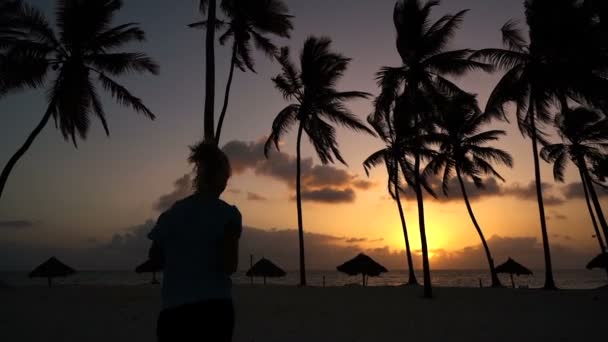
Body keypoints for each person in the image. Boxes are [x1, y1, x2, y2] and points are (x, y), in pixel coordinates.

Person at [147, 141, 242, 342]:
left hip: (174, 311)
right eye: (226, 177)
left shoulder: (172, 214)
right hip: (215, 311)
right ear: (219, 177)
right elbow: (230, 266)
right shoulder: (229, 215)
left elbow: (154, 257)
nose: (226, 183)